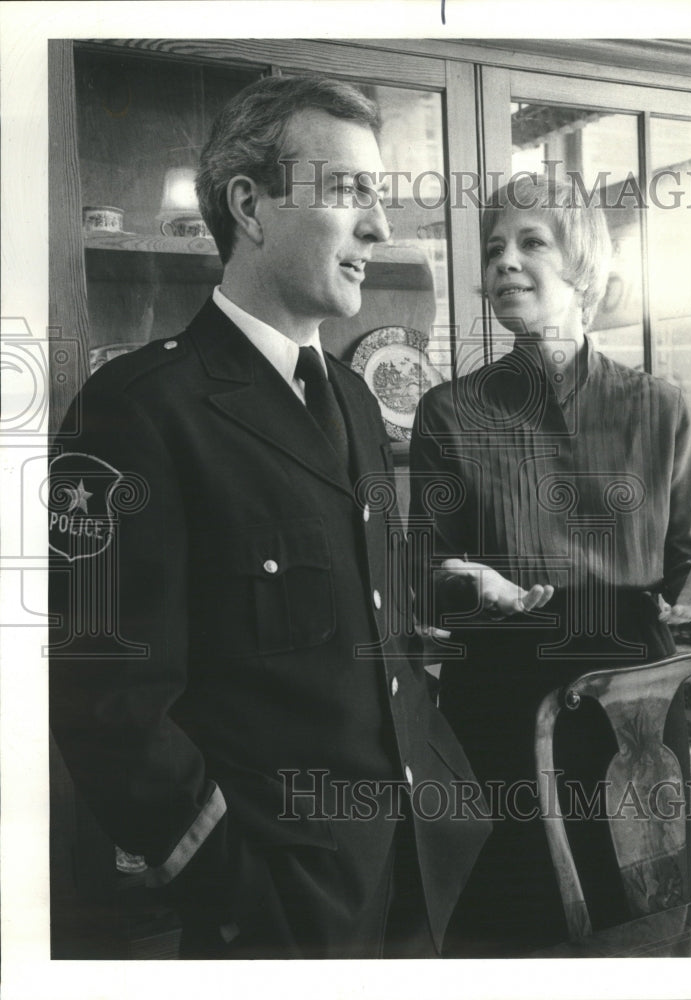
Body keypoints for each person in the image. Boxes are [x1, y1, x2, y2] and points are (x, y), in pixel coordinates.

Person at [48, 76, 491, 960]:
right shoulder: (136, 410)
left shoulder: (360, 403)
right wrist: (237, 889)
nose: (379, 227)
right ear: (249, 204)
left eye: (381, 197)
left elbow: (371, 626)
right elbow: (107, 699)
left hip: (416, 872)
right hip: (279, 912)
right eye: (350, 193)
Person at [409, 173, 691, 956]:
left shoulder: (660, 406)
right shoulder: (447, 412)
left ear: (581, 267)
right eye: (493, 249)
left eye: (530, 242)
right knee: (508, 939)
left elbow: (690, 565)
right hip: (499, 722)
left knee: (648, 930)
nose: (504, 263)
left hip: (636, 725)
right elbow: (423, 576)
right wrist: (468, 585)